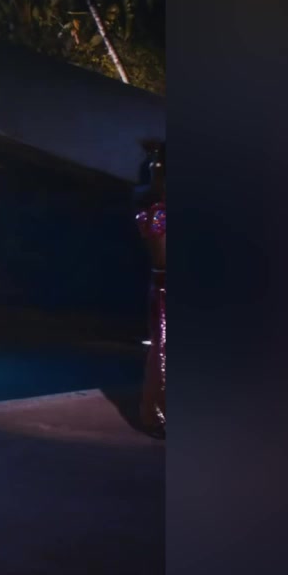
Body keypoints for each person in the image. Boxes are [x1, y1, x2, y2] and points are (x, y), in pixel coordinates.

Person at [134, 140, 166, 437]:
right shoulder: (158, 212)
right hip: (165, 288)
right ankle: (156, 414)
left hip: (162, 286)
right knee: (164, 350)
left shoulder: (155, 210)